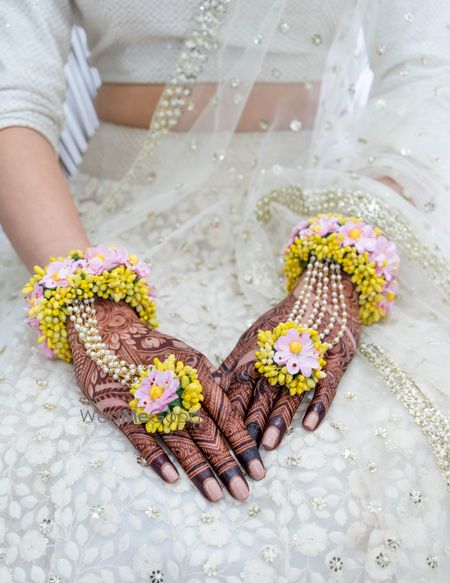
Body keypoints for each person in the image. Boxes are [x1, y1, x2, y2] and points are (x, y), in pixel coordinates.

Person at [0, 1, 449, 581]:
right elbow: (12, 96)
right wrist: (90, 306)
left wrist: (342, 265)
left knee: (371, 457)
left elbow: (429, 73)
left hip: (319, 219)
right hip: (85, 235)